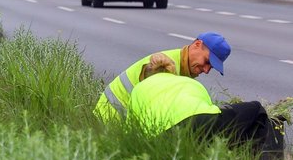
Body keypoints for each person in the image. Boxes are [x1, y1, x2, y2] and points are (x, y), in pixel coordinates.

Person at [129, 53, 285, 160]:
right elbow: (210, 112)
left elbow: (134, 130)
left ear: (145, 77)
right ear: (171, 72)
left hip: (164, 138)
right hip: (202, 122)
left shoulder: (137, 91)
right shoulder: (187, 82)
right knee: (256, 110)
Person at [94, 32, 230, 123]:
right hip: (110, 117)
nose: (206, 70)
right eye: (207, 61)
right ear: (197, 45)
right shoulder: (165, 65)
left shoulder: (181, 67)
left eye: (211, 67)